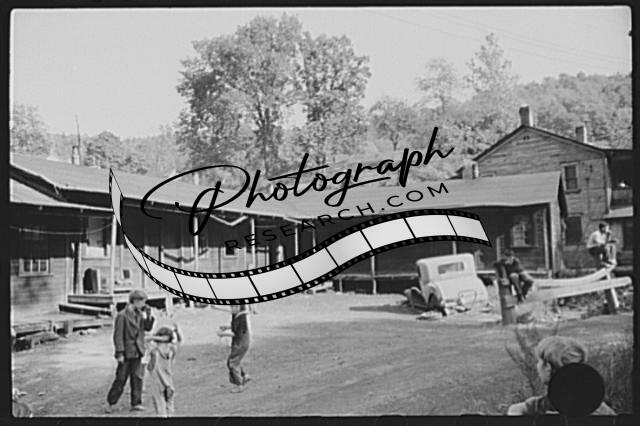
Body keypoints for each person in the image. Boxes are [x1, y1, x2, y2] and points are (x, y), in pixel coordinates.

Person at [507, 336, 615, 416]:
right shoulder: (598, 409)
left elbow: (516, 411)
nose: (537, 365)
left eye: (539, 361)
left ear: (547, 368)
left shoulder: (537, 407)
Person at [105, 289, 155, 413]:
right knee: (121, 379)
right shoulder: (122, 315)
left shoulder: (140, 315)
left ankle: (136, 402)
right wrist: (120, 353)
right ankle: (111, 402)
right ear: (135, 301)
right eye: (142, 301)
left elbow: (147, 328)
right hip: (126, 353)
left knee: (137, 378)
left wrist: (148, 316)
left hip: (137, 351)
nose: (144, 304)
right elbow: (118, 336)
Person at [146, 324, 182, 417]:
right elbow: (178, 341)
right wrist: (173, 334)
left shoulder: (154, 351)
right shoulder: (171, 350)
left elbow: (146, 339)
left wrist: (155, 337)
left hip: (157, 383)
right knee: (170, 406)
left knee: (160, 407)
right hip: (169, 382)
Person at [226, 304, 252, 393]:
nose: (231, 309)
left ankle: (239, 385)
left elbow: (237, 333)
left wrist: (223, 334)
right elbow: (234, 327)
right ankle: (244, 376)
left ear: (238, 307)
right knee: (232, 361)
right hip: (239, 343)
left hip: (241, 343)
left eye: (233, 307)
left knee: (233, 363)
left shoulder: (241, 318)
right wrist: (226, 327)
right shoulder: (236, 315)